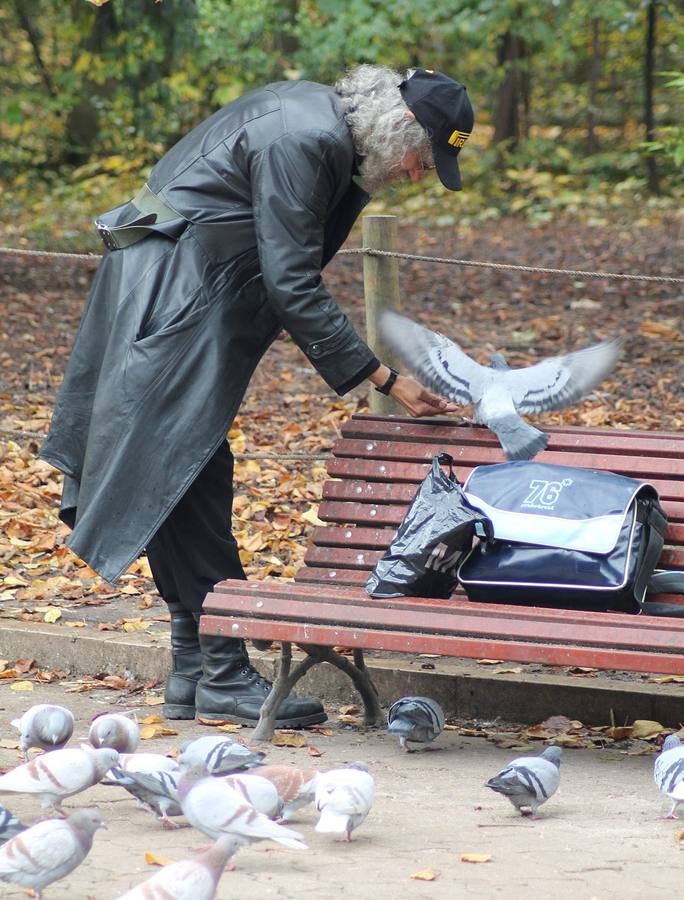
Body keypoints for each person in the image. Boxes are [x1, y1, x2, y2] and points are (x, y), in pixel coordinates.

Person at [40, 64, 475, 728]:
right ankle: (222, 671)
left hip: (172, 290)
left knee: (183, 476)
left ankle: (194, 667)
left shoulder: (320, 123)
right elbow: (291, 280)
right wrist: (384, 379)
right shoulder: (307, 139)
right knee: (187, 477)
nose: (417, 175)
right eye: (425, 159)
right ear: (404, 125)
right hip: (171, 298)